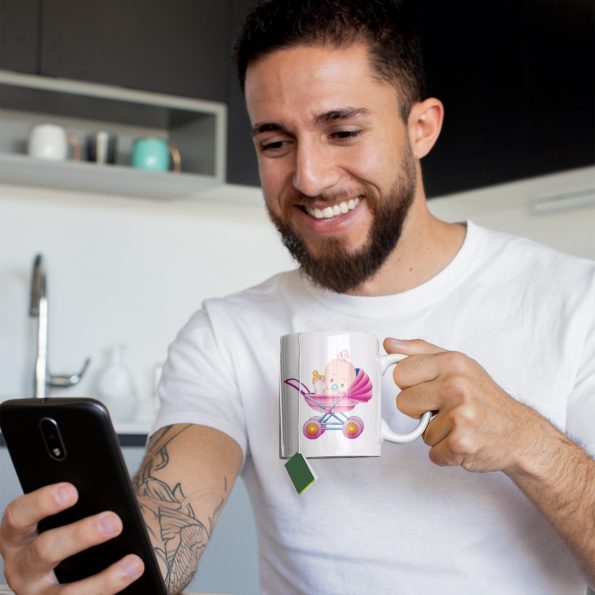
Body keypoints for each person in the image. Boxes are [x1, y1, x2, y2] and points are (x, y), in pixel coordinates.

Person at [1, 1, 594, 593]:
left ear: (422, 128)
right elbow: (172, 509)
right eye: (276, 143)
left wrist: (529, 442)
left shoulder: (575, 301)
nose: (309, 177)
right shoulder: (226, 334)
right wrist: (106, 573)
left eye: (343, 131)